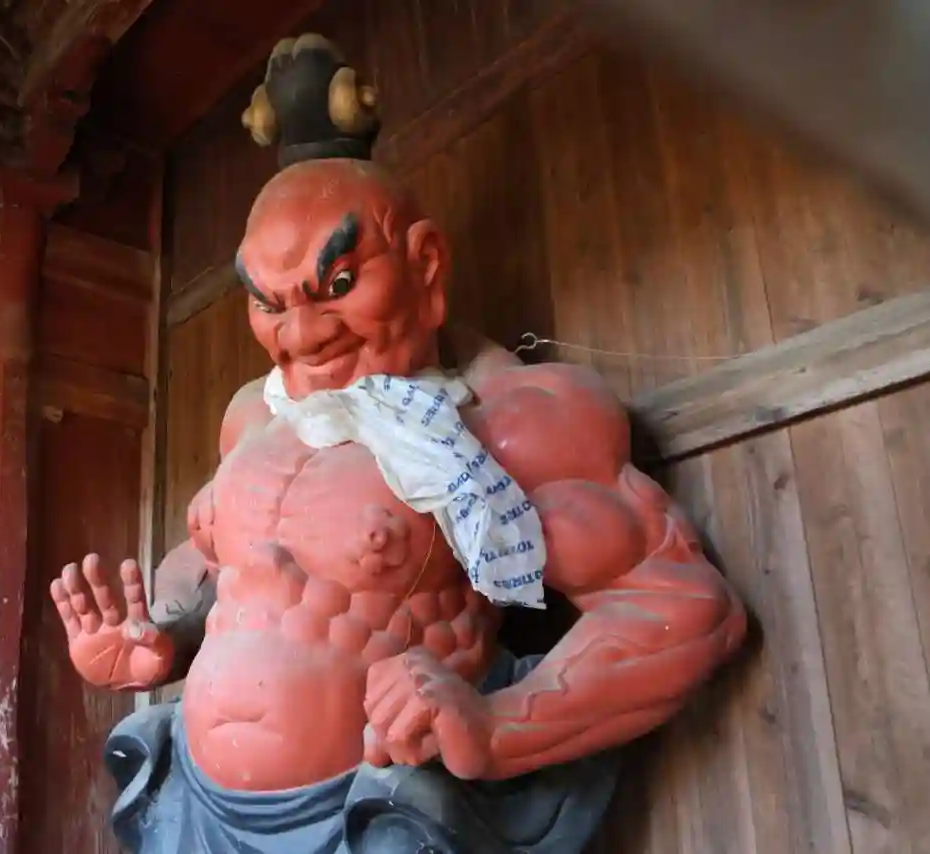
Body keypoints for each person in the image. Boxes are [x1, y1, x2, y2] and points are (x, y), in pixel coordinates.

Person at [49, 34, 747, 854]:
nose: (300, 335)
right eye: (269, 303)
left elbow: (678, 609)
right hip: (196, 810)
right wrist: (157, 641)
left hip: (386, 813)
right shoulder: (254, 420)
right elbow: (211, 569)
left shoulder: (504, 421)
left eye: (338, 286)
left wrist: (497, 726)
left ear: (425, 264)